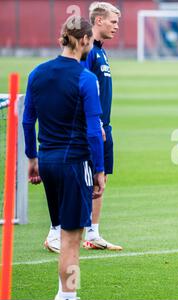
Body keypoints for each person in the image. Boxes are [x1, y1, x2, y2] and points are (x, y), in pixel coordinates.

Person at [23, 16, 105, 299]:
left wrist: (32, 159)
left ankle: (66, 294)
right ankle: (68, 295)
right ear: (84, 41)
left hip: (47, 161)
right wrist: (100, 169)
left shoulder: (37, 73)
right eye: (91, 41)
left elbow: (26, 121)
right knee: (72, 238)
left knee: (62, 230)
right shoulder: (86, 78)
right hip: (75, 164)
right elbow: (94, 131)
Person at [43, 2, 122, 252]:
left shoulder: (101, 51)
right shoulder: (87, 55)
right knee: (80, 181)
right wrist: (93, 124)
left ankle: (93, 233)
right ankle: (54, 233)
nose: (116, 27)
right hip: (91, 126)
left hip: (103, 126)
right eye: (113, 22)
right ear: (98, 21)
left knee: (101, 179)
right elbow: (79, 88)